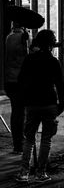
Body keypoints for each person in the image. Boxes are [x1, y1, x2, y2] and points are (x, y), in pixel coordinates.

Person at [15, 30, 64, 183]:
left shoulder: (29, 59)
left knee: (29, 139)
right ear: (51, 45)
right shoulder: (54, 61)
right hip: (49, 103)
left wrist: (23, 101)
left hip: (32, 103)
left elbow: (21, 82)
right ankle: (40, 173)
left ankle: (24, 172)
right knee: (46, 139)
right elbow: (61, 86)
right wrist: (61, 104)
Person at [4, 22, 30, 154]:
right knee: (22, 113)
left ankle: (17, 143)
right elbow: (26, 56)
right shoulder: (23, 37)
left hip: (9, 79)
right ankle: (21, 143)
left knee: (16, 112)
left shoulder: (8, 37)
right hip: (21, 80)